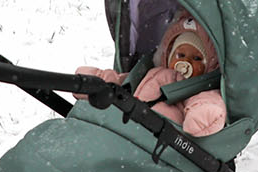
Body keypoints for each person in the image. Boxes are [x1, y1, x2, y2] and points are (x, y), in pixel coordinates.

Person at [75, 11, 227, 136]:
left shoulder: (198, 89)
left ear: (210, 66)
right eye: (180, 55)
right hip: (124, 125)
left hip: (155, 138)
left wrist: (203, 113)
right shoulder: (153, 71)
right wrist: (97, 82)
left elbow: (207, 102)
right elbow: (124, 82)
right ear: (168, 55)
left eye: (197, 58)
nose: (186, 62)